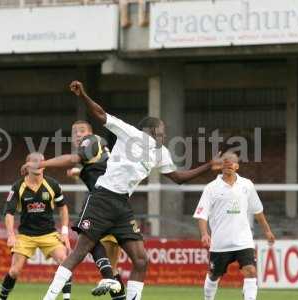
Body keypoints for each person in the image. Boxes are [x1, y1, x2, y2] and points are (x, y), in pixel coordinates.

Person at [43, 81, 221, 300]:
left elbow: (178, 178)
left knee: (141, 260)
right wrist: (83, 95)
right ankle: (49, 297)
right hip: (102, 197)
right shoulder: (130, 133)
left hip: (122, 205)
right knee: (80, 252)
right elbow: (99, 113)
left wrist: (208, 167)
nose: (163, 135)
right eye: (161, 131)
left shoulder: (161, 153)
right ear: (149, 131)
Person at [22, 120, 125, 299]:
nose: (78, 134)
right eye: (75, 131)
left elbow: (72, 159)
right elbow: (103, 166)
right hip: (116, 205)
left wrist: (41, 164)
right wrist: (79, 172)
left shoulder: (92, 141)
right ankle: (112, 281)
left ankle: (51, 296)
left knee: (84, 236)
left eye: (82, 130)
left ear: (90, 132)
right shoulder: (96, 151)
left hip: (105, 203)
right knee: (119, 265)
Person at [193, 151, 275, 300]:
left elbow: (258, 211)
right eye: (225, 163)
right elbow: (201, 214)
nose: (228, 166)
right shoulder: (211, 188)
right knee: (214, 275)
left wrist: (267, 231)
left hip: (243, 240)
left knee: (250, 270)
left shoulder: (246, 185)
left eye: (231, 164)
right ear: (221, 167)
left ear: (237, 166)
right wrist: (204, 233)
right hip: (220, 243)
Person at [0, 152, 72, 300]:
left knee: (65, 262)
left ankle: (67, 298)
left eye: (41, 161)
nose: (38, 164)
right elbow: (9, 213)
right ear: (27, 165)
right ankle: (2, 297)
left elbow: (63, 208)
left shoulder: (53, 185)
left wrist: (64, 232)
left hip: (49, 234)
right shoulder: (17, 187)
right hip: (26, 235)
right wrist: (11, 235)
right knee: (14, 271)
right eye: (34, 161)